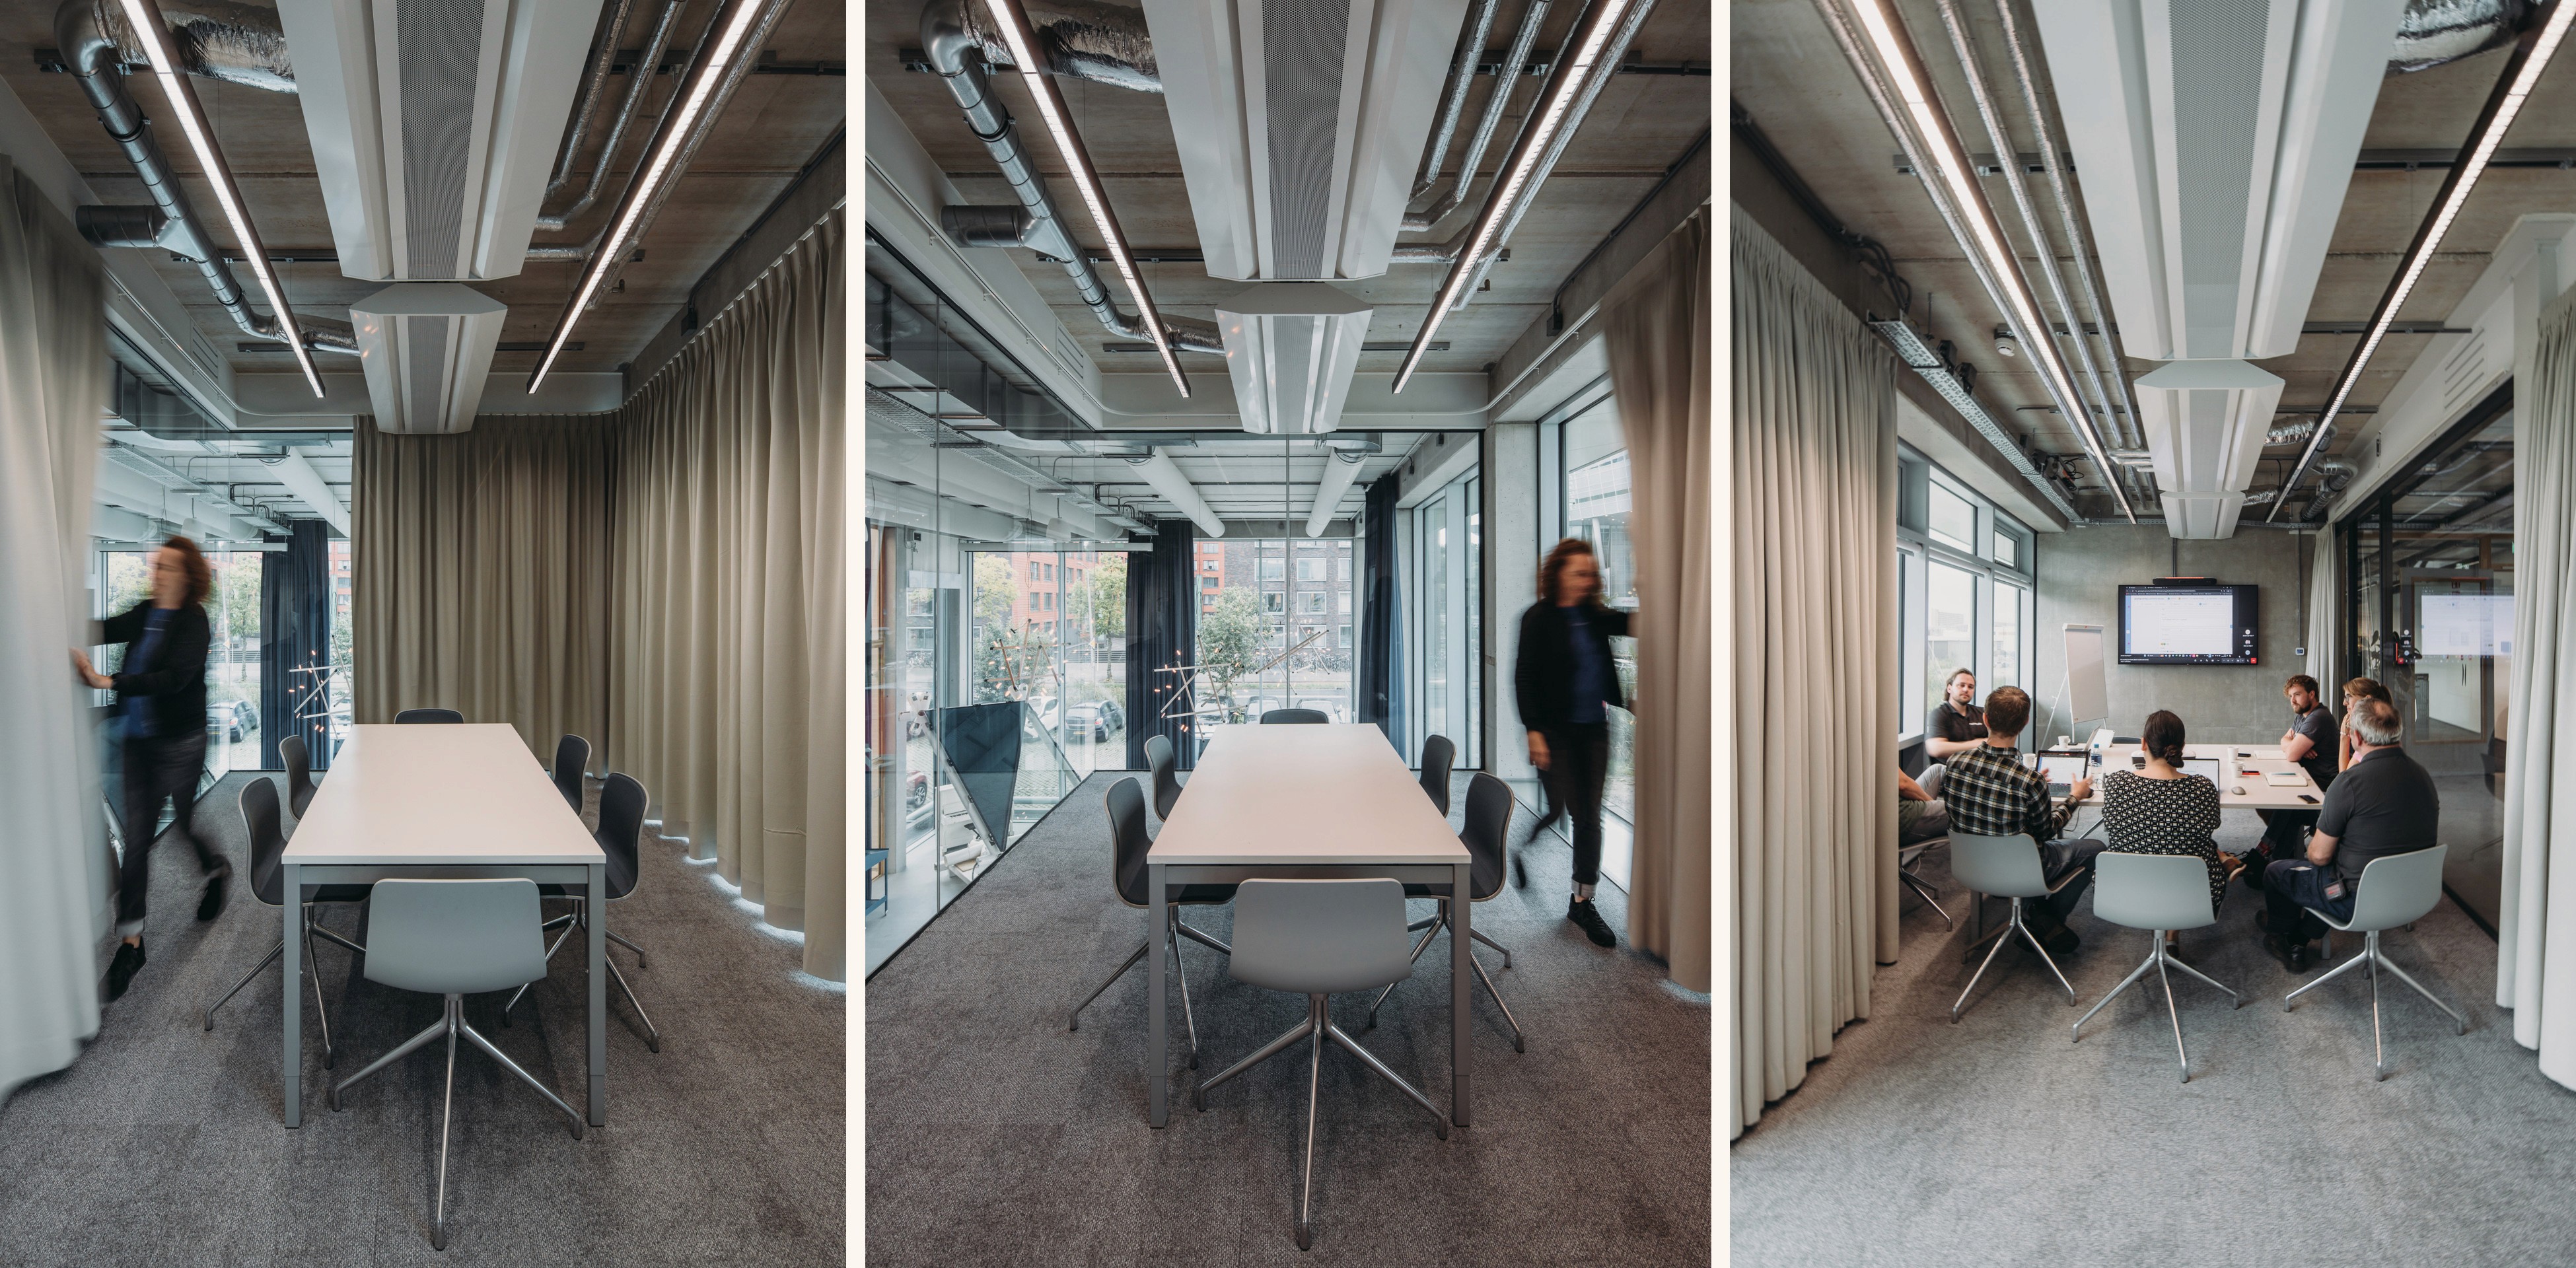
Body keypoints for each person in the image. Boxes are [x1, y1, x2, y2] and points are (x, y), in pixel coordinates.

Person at [71, 536, 229, 1002]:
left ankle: (217, 869)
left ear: (188, 577)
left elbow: (173, 679)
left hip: (181, 743)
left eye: (167, 568)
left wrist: (108, 680)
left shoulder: (193, 622)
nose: (157, 574)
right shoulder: (145, 613)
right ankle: (131, 942)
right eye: (156, 566)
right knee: (137, 841)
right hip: (138, 745)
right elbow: (100, 628)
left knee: (183, 824)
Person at [2258, 697, 2438, 972]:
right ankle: (2300, 935)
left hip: (2357, 899)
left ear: (2356, 736)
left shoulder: (2350, 782)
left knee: (2276, 871)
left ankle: (2285, 937)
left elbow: (2317, 856)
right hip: (2415, 895)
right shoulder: (2424, 776)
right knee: (2342, 867)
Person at [1513, 538, 1631, 948]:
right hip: (1554, 732)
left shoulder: (1595, 616)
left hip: (1594, 729)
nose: (1586, 580)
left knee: (1588, 816)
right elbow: (1524, 676)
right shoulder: (1538, 618)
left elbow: (1636, 624)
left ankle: (1582, 900)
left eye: (1590, 574)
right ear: (1559, 573)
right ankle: (1521, 848)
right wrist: (1534, 730)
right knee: (1560, 807)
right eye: (1578, 573)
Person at [1937, 685, 2105, 955]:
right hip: (2021, 868)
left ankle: (2035, 912)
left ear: (1986, 719)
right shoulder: (2029, 780)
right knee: (2095, 849)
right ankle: (2046, 917)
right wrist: (2074, 798)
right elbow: (2047, 832)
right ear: (2025, 723)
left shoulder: (1955, 763)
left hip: (1970, 865)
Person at [2096, 710, 2238, 944]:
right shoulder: (2202, 787)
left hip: (2123, 891)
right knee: (2201, 844)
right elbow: (2212, 825)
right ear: (2183, 746)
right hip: (2193, 895)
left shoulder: (2117, 783)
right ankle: (2173, 932)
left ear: (2143, 744)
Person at [2246, 675, 2339, 882]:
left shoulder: (2318, 717)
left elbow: (2290, 754)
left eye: (2297, 695)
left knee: (2285, 806)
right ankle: (2280, 855)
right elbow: (2285, 740)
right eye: (2290, 696)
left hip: (2322, 788)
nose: (2293, 701)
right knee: (2265, 800)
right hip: (2306, 778)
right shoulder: (2304, 715)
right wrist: (2293, 743)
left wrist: (2294, 746)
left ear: (2312, 694)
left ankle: (2268, 852)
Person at [1923, 668, 1986, 761]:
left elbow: (1996, 741)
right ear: (1949, 688)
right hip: (1950, 771)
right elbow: (1935, 749)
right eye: (1961, 685)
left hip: (1979, 769)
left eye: (1971, 687)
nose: (1966, 689)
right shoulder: (1939, 714)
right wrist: (1978, 743)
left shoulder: (1982, 713)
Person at [2336, 676, 2393, 773]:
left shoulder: (2369, 739)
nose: (2344, 703)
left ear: (2366, 700)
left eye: (2348, 697)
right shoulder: (2374, 730)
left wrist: (2344, 736)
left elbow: (2344, 778)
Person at [1898, 769, 1947, 847]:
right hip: (1904, 816)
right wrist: (1931, 803)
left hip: (1899, 804)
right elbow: (1903, 784)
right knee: (1961, 811)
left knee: (1938, 770)